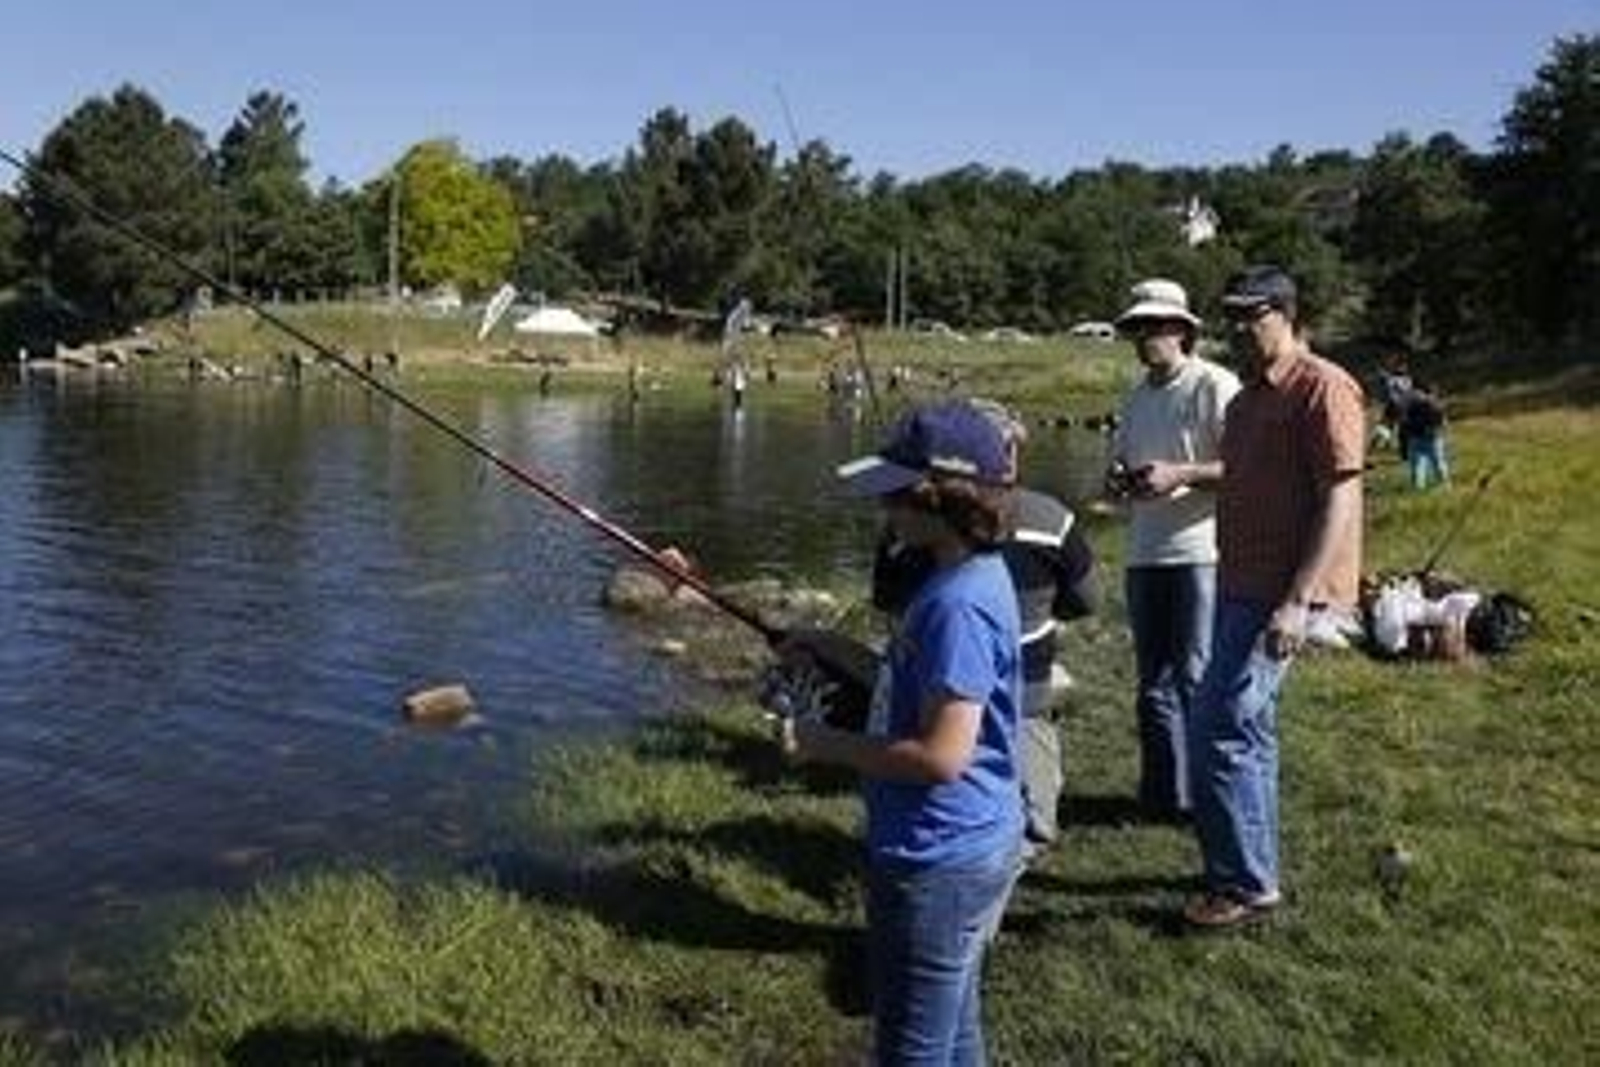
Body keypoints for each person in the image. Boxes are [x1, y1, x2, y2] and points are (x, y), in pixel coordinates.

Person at [778, 399, 1024, 1064]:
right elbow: (912, 677)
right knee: (954, 1028)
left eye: (894, 494)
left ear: (941, 497)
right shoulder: (962, 575)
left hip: (940, 856)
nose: (882, 508)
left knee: (909, 1046)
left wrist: (822, 742)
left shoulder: (959, 605)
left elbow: (943, 755)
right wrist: (829, 645)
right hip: (963, 840)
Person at [1184, 265, 1365, 929]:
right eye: (1231, 317)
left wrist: (1299, 598)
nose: (1239, 328)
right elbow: (1243, 479)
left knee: (1218, 725)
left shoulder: (1323, 386)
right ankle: (1254, 870)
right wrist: (1175, 479)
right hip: (1238, 580)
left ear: (1287, 314)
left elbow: (1340, 496)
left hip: (1281, 591)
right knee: (1250, 731)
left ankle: (1240, 884)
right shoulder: (1244, 402)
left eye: (1252, 315)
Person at [872, 399, 1098, 849]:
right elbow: (1085, 600)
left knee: (942, 784)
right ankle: (1021, 837)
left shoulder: (907, 529)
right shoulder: (1052, 516)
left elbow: (886, 600)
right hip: (1026, 691)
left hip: (928, 693)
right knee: (1026, 811)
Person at [1108, 279, 1240, 822]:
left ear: (1183, 331)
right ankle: (1165, 799)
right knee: (1152, 687)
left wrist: (1180, 474)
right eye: (1137, 328)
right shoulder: (1136, 396)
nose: (1145, 337)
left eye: (1155, 326)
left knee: (1195, 679)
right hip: (1144, 553)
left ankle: (1210, 797)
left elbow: (1246, 468)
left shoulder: (1216, 384)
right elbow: (1123, 461)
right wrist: (1119, 480)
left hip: (1201, 554)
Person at [1399, 378, 1449, 489]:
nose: (1415, 394)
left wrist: (1435, 431)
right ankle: (1419, 488)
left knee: (1438, 464)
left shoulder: (1433, 405)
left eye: (1417, 392)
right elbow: (1405, 423)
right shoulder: (1411, 405)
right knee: (1417, 467)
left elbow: (1442, 422)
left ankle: (1444, 486)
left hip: (1431, 439)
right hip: (1417, 439)